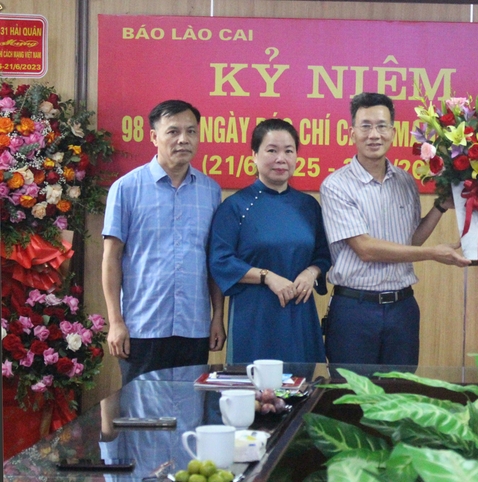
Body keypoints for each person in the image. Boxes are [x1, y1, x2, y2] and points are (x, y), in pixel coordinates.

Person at [320, 92, 470, 366]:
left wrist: (440, 207)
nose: (374, 134)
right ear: (351, 132)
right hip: (355, 309)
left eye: (381, 126)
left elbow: (410, 240)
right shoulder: (335, 185)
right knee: (350, 399)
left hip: (403, 309)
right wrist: (433, 254)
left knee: (400, 398)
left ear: (393, 131)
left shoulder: (405, 181)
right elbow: (365, 249)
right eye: (365, 126)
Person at [102, 100, 225, 383]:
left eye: (191, 131)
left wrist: (217, 316)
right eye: (173, 132)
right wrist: (116, 322)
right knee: (141, 416)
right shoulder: (126, 188)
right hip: (143, 327)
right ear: (154, 137)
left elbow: (214, 260)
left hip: (193, 328)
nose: (184, 139)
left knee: (190, 413)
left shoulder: (211, 192)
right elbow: (111, 258)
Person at [208, 119, 331, 363]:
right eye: (271, 150)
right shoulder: (235, 206)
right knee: (256, 393)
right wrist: (267, 277)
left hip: (300, 314)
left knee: (303, 390)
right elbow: (220, 261)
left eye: (288, 151)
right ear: (254, 155)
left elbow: (324, 254)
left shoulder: (308, 206)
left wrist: (311, 272)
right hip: (254, 316)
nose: (280, 159)